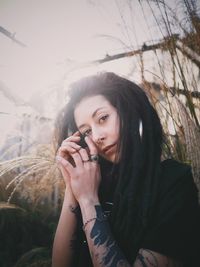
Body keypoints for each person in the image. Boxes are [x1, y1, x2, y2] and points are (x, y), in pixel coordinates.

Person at [52, 72, 200, 267]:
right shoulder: (95, 182)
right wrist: (73, 187)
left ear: (129, 110)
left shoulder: (173, 182)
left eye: (103, 118)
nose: (96, 136)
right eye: (86, 131)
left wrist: (88, 201)